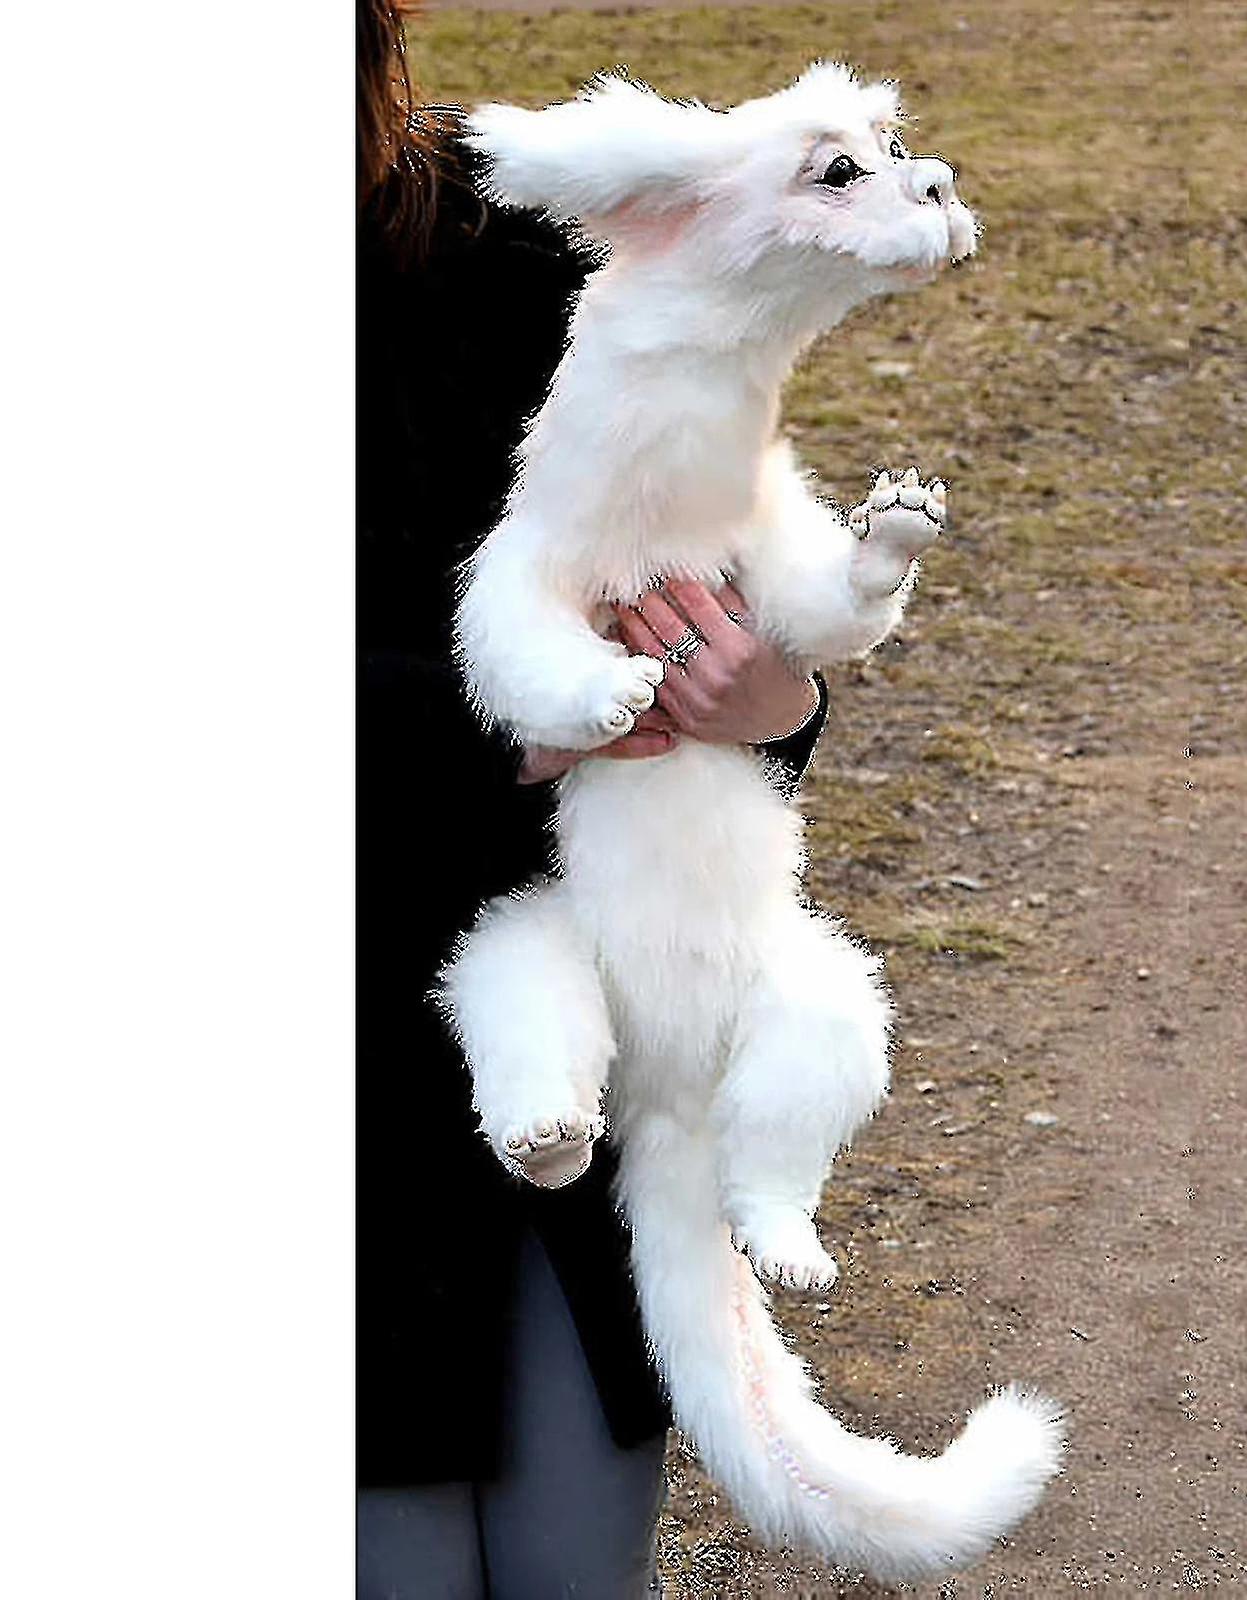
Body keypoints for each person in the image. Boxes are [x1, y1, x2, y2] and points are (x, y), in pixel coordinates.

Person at [355, 3, 829, 1593]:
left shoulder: (526, 237)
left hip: (570, 1041)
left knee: (575, 1560)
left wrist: (765, 696)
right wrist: (499, 723)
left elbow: (711, 598)